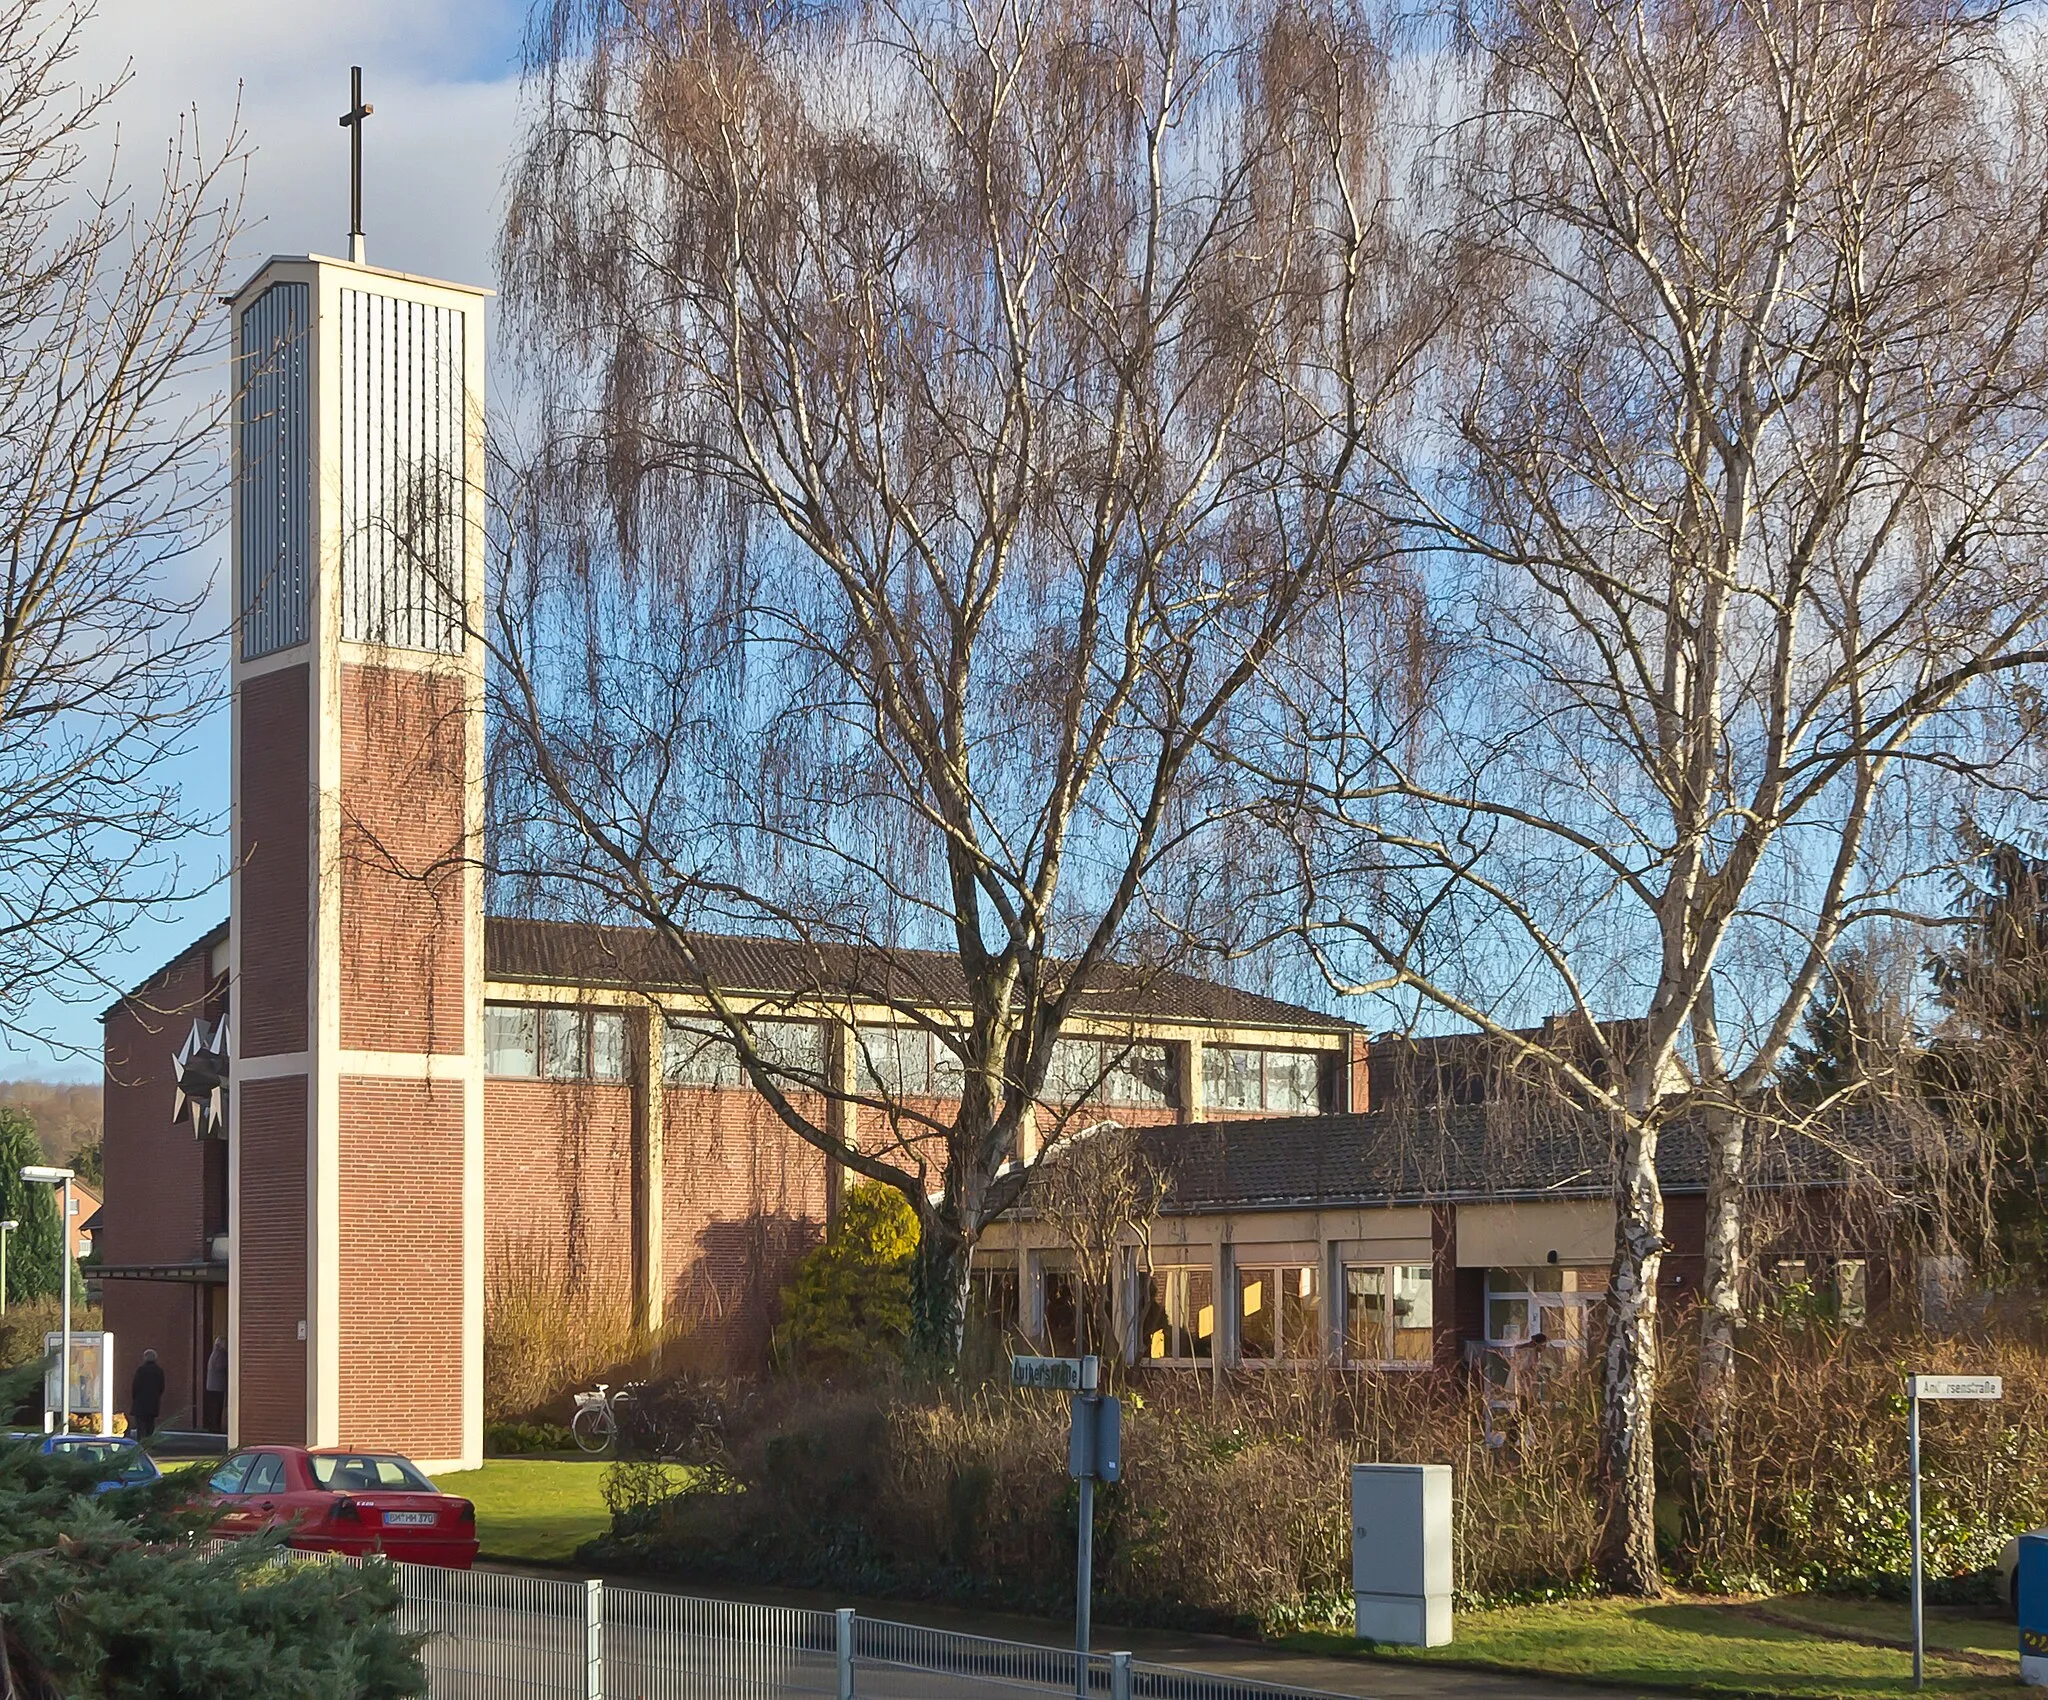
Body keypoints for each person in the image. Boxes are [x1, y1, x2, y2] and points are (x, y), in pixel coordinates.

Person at [128, 1349, 164, 1439]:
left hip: (140, 1403)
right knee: (150, 1425)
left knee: (140, 1426)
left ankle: (141, 1444)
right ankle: (149, 1442)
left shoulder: (141, 1370)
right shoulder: (159, 1371)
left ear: (145, 1358)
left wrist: (135, 1398)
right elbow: (161, 1387)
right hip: (153, 1403)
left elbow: (135, 1386)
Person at [203, 1336, 227, 1432]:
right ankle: (215, 1427)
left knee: (214, 1407)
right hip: (217, 1386)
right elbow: (220, 1366)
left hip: (213, 1386)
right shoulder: (220, 1354)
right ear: (220, 1344)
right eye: (224, 1343)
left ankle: (214, 1426)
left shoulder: (215, 1353)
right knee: (217, 1407)